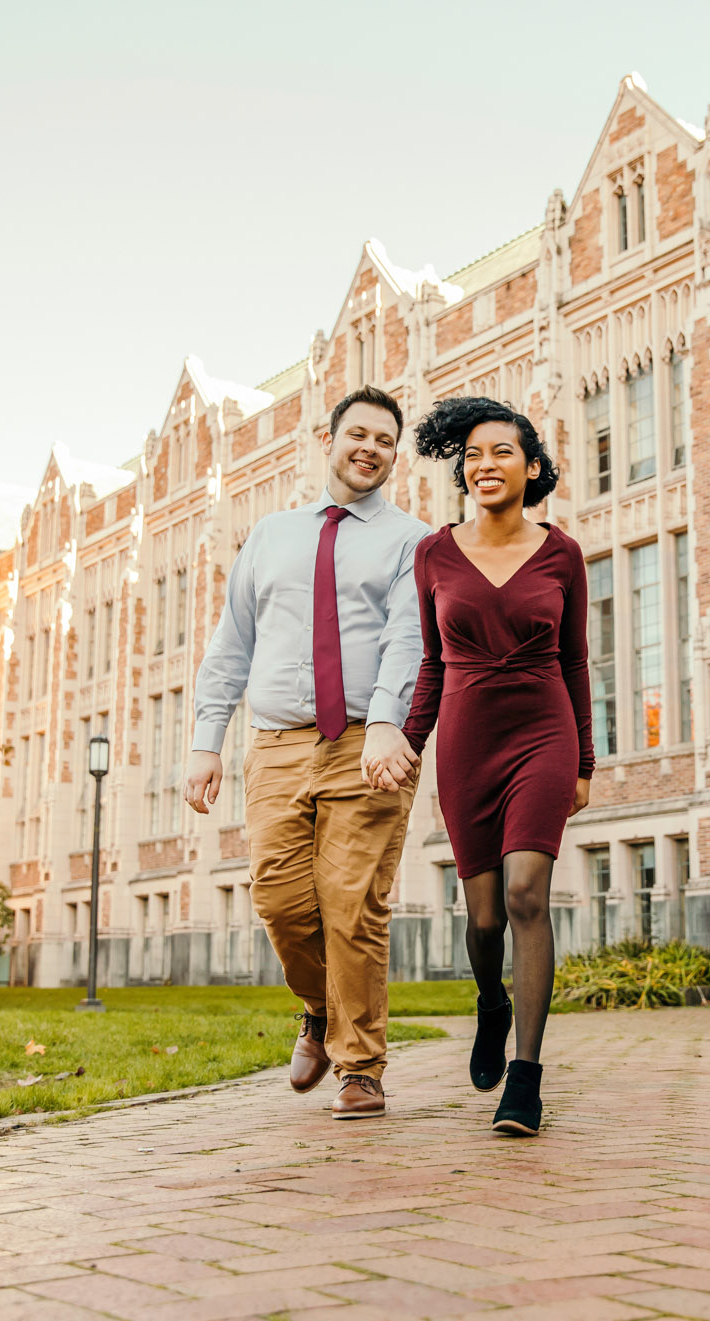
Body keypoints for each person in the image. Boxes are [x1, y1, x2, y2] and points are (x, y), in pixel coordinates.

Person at [185, 384, 429, 1121]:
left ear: (394, 454)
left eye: (385, 440)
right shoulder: (271, 534)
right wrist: (206, 739)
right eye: (359, 434)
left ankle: (360, 1066)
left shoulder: (410, 540)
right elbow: (233, 642)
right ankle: (320, 1009)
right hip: (277, 745)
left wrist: (388, 722)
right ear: (328, 440)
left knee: (352, 905)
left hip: (366, 744)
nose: (370, 449)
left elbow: (407, 640)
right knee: (281, 900)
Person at [394, 396, 591, 1137]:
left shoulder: (562, 552)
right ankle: (491, 1000)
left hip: (544, 731)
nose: (485, 464)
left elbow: (575, 660)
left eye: (502, 452)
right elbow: (431, 663)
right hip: (468, 745)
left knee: (526, 894)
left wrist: (585, 761)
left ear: (532, 467)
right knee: (483, 918)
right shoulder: (434, 554)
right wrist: (409, 743)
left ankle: (527, 1079)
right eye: (472, 455)